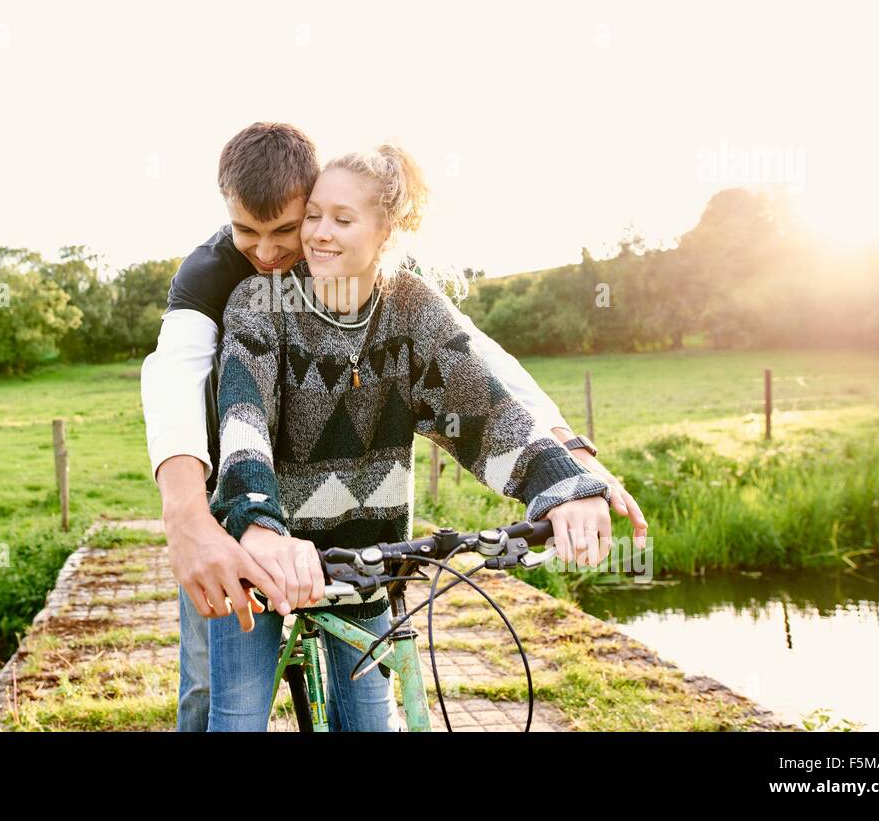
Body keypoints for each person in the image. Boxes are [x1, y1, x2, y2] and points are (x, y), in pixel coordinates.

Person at [140, 123, 647, 731]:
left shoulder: (406, 301)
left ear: (386, 229)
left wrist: (564, 469)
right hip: (239, 520)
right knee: (220, 701)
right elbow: (198, 391)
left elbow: (479, 378)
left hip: (362, 549)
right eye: (252, 232)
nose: (274, 252)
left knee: (372, 716)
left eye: (295, 227)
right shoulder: (227, 283)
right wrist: (198, 521)